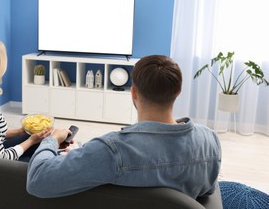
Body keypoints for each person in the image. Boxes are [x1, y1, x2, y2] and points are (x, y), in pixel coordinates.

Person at [27, 55, 222, 199]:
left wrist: (52, 139)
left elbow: (38, 180)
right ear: (178, 92)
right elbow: (208, 192)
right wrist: (83, 153)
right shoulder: (210, 140)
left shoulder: (112, 150)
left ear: (134, 93)